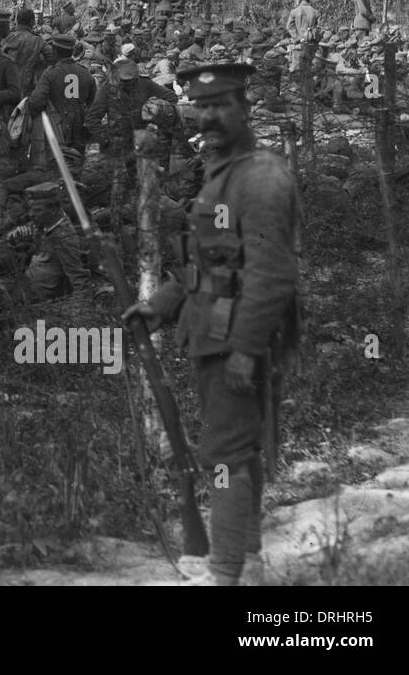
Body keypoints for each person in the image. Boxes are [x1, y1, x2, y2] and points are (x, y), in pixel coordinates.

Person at [123, 62, 301, 587]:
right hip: (212, 326)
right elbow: (211, 259)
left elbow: (272, 274)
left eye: (221, 106)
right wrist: (159, 305)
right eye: (201, 107)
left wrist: (246, 348)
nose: (209, 117)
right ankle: (246, 561)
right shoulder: (222, 170)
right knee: (234, 448)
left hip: (236, 334)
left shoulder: (261, 178)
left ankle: (226, 574)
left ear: (245, 109)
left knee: (224, 453)